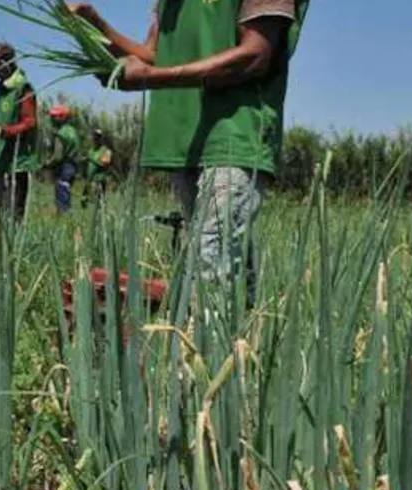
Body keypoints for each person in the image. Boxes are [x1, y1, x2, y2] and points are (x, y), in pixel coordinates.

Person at [68, 0, 304, 308]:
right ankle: (241, 345)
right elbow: (155, 57)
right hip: (186, 141)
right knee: (218, 259)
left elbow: (254, 56)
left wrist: (151, 78)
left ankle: (205, 352)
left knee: (212, 258)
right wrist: (92, 22)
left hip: (234, 135)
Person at [0, 42, 39, 222]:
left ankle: (13, 249)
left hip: (16, 163)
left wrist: (4, 131)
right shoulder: (3, 88)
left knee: (13, 216)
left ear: (10, 61)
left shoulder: (23, 87)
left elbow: (29, 122)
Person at [46, 105, 81, 214]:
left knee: (62, 196)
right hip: (73, 166)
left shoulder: (61, 134)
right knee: (67, 191)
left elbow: (58, 156)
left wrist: (47, 163)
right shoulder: (73, 131)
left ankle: (65, 219)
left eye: (54, 116)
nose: (51, 119)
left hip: (64, 167)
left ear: (61, 118)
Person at [83, 128, 112, 208]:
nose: (95, 139)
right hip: (89, 180)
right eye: (94, 137)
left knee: (99, 203)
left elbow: (105, 164)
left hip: (99, 180)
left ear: (101, 138)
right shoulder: (91, 151)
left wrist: (91, 159)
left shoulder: (106, 151)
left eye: (98, 137)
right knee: (89, 204)